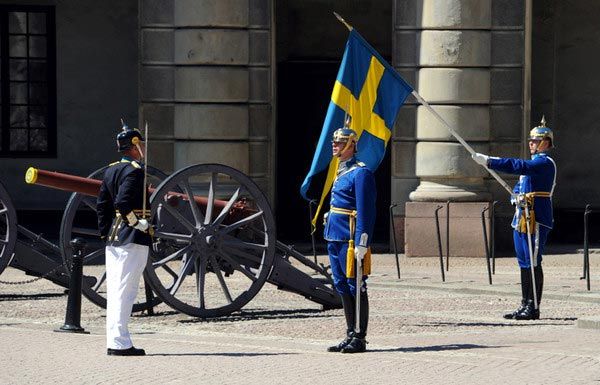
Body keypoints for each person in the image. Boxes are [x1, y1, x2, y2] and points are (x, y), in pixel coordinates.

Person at [472, 117, 556, 320]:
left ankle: (534, 307)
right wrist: (514, 197)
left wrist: (490, 161)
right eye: (531, 140)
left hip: (536, 217)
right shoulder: (532, 165)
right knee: (523, 261)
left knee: (533, 260)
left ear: (545, 143)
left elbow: (519, 166)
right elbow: (520, 185)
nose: (531, 144)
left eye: (535, 141)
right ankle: (524, 303)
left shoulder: (544, 163)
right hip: (522, 217)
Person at [97, 121, 151, 356]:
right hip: (132, 236)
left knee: (117, 290)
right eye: (142, 144)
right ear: (135, 145)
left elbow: (103, 205)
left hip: (114, 237)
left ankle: (116, 340)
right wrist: (137, 223)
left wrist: (104, 233)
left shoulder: (111, 170)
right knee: (125, 291)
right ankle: (120, 343)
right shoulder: (134, 171)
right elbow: (122, 203)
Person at [323, 127, 376, 353]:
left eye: (340, 142)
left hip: (350, 238)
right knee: (341, 285)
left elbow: (366, 210)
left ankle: (360, 337)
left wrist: (362, 241)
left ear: (351, 145)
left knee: (356, 286)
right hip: (334, 234)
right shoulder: (341, 170)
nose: (335, 145)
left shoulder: (360, 173)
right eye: (334, 142)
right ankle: (349, 333)